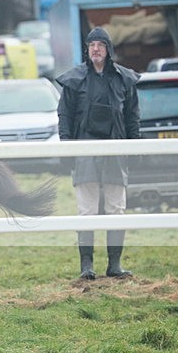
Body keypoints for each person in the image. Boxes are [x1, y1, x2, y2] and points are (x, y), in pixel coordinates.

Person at [57, 27, 140, 280]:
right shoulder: (74, 80)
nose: (95, 49)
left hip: (116, 152)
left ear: (108, 49)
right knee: (87, 211)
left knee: (116, 209)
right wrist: (67, 150)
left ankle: (114, 264)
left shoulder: (124, 79)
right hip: (85, 154)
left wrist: (134, 148)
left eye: (100, 45)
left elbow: (132, 116)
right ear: (87, 49)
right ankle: (87, 266)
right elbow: (65, 116)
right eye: (92, 44)